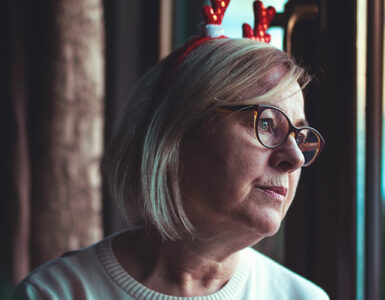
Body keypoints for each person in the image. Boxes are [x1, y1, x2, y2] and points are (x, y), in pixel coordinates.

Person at [15, 2, 328, 299]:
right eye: (266, 125)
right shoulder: (55, 293)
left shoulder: (303, 297)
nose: (295, 157)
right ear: (176, 135)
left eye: (299, 136)